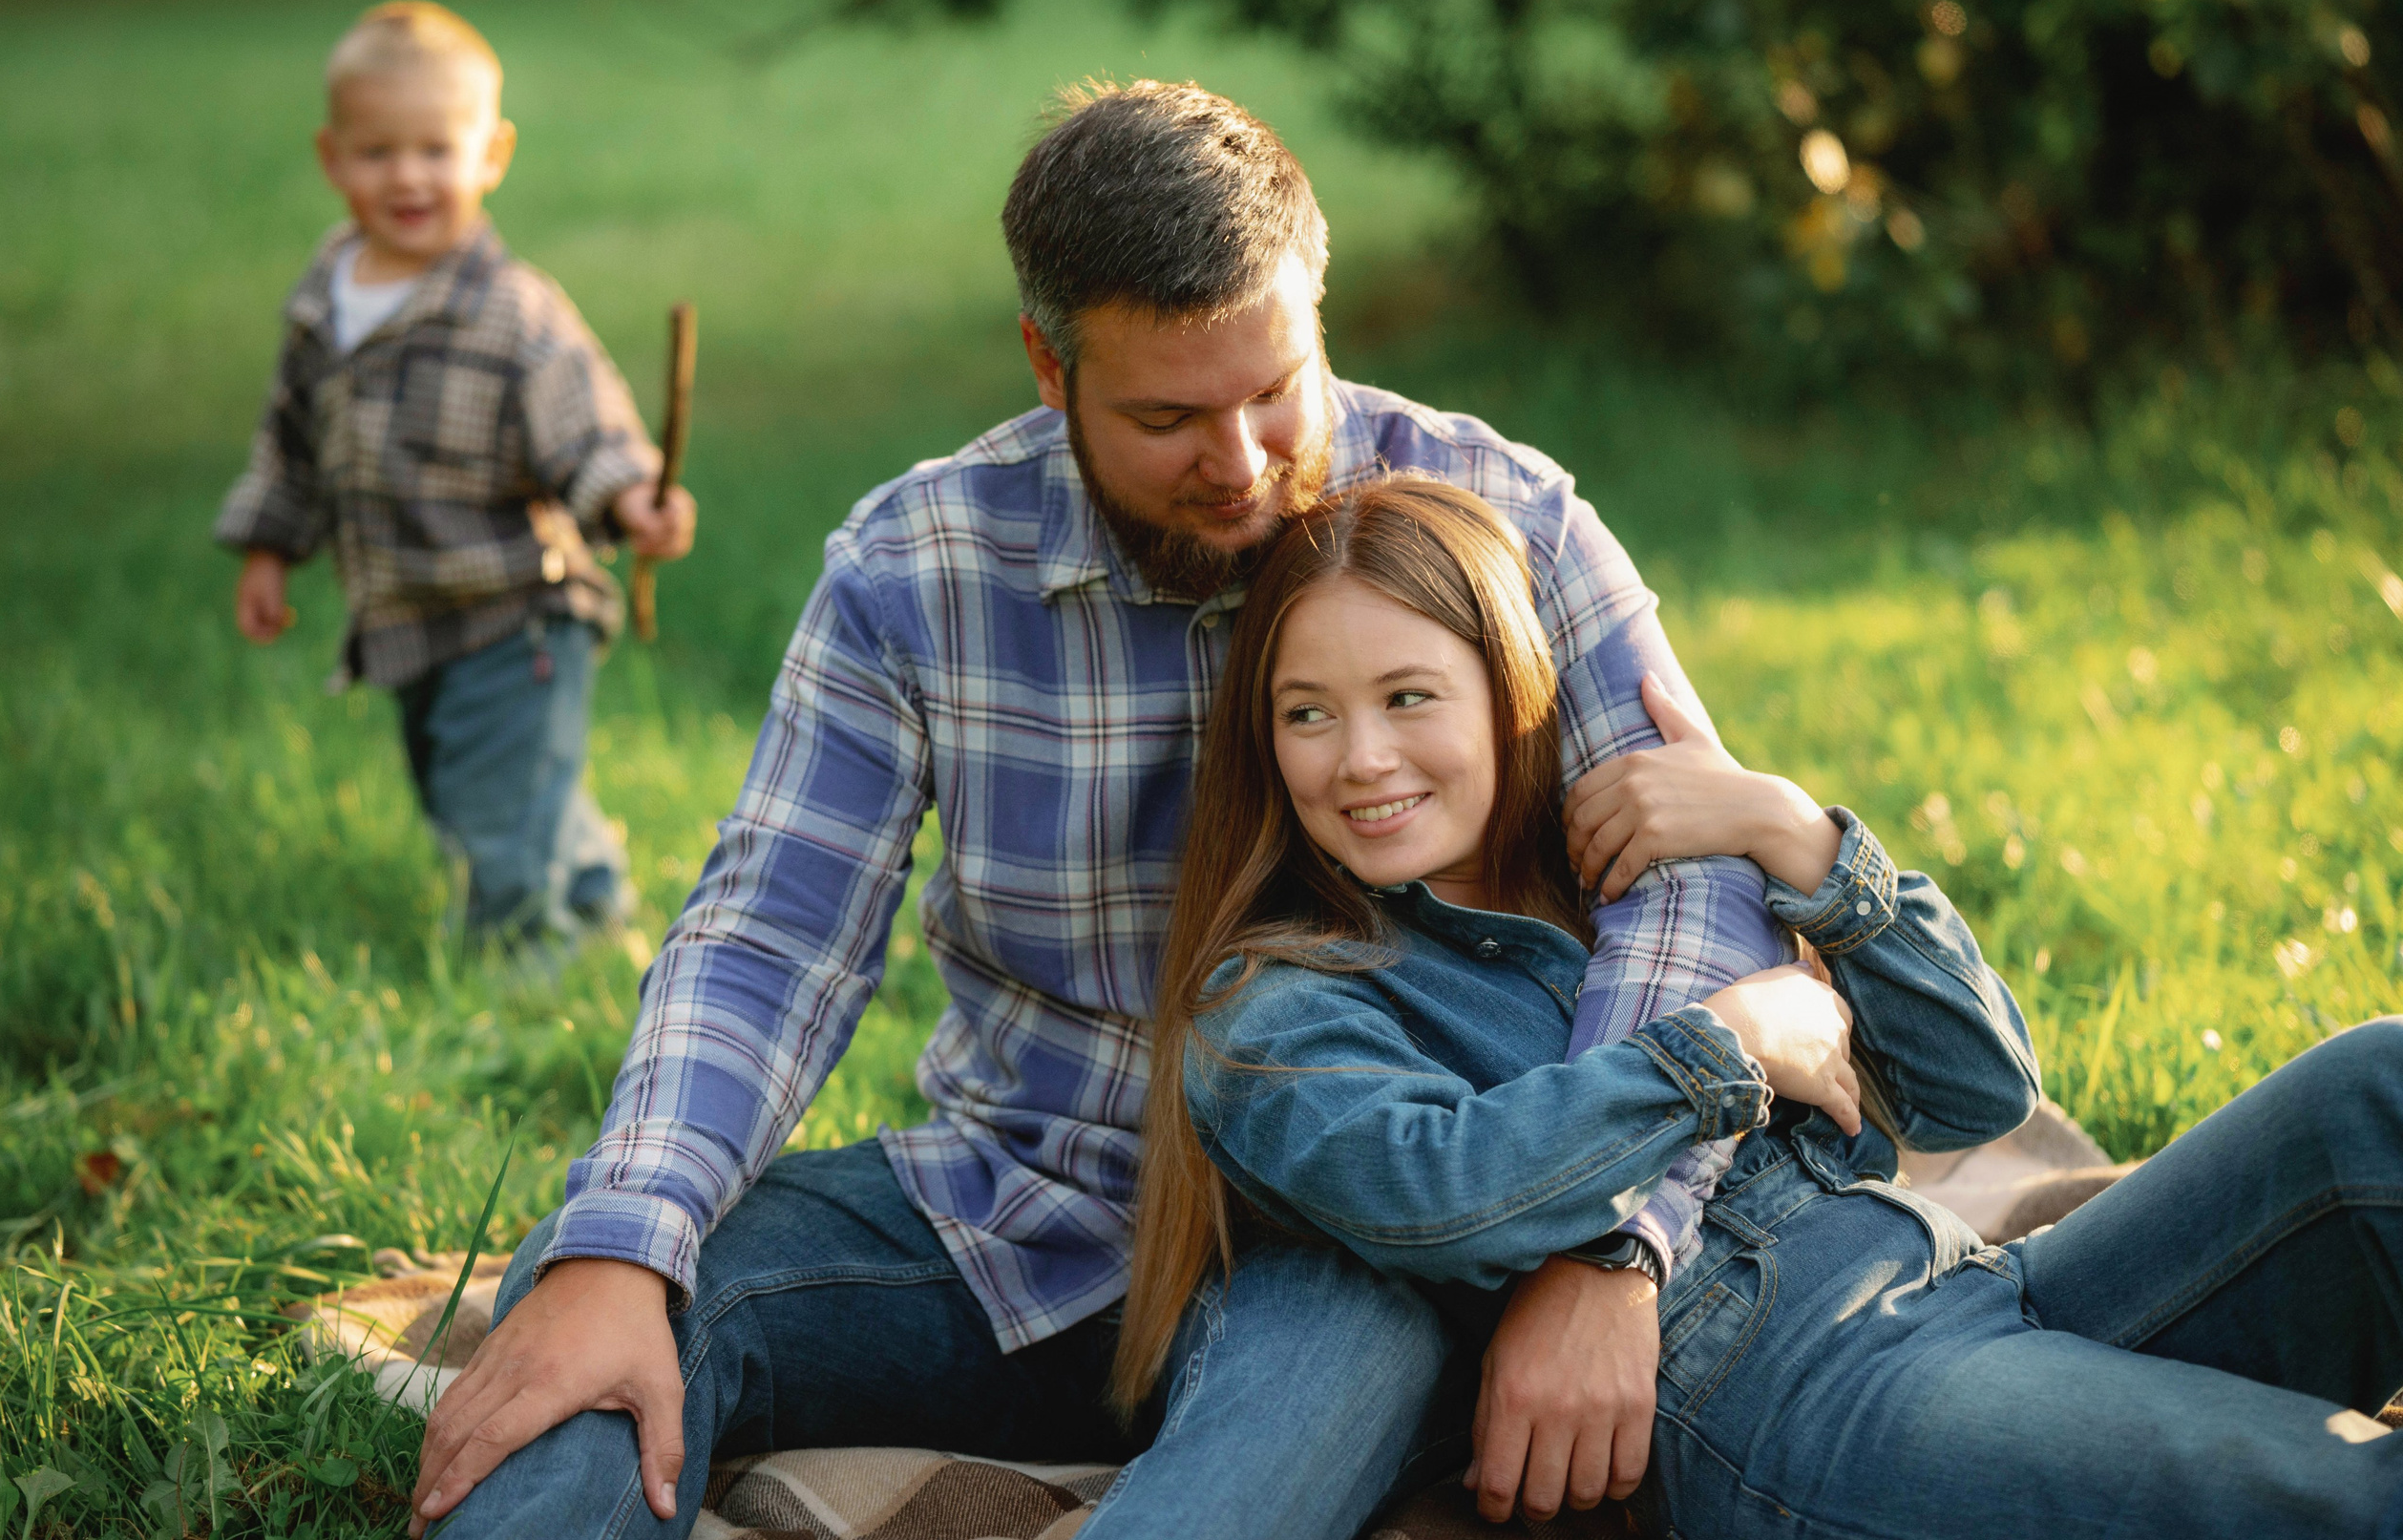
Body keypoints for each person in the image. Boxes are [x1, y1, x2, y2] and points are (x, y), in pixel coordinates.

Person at [410, 80, 1796, 1539]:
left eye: (1278, 389)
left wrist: (1613, 1246)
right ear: (1046, 366)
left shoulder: (1502, 514)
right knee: (608, 1303)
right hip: (1017, 1202)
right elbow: (770, 938)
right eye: (1167, 417)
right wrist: (628, 1240)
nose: (1247, 465)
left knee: (1303, 1407)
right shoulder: (914, 567)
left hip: (1352, 1243)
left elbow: (1691, 876)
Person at [1110, 473, 2403, 1538]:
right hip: (1796, 1393)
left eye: (1408, 696)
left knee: (2376, 1091)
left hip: (1968, 1282)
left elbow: (1980, 1084)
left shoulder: (1631, 887)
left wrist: (1796, 836)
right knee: (2344, 1492)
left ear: (1509, 691)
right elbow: (1440, 1185)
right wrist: (1732, 1042)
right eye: (1307, 713)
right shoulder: (1275, 996)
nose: (1363, 757)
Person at [214, 0, 696, 947]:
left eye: (437, 149)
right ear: (332, 157)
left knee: (494, 811)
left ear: (492, 154)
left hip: (516, 617)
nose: (408, 175)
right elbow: (291, 437)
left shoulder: (513, 313)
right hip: (407, 620)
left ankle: (527, 979)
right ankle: (599, 908)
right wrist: (270, 548)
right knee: (472, 788)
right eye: (378, 150)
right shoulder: (325, 296)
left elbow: (584, 426)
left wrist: (633, 493)